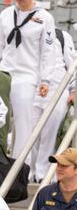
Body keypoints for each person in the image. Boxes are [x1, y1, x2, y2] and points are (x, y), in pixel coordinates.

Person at [0, 0, 56, 162]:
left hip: (26, 76)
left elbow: (48, 51)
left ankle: (20, 167)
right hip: (3, 73)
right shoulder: (6, 14)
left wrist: (45, 79)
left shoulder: (44, 18)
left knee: (23, 124)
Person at [31, 29, 76, 182]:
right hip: (33, 90)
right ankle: (30, 172)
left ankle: (44, 173)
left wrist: (74, 89)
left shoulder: (62, 36)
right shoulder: (29, 35)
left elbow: (72, 63)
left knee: (49, 135)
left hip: (57, 90)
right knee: (31, 135)